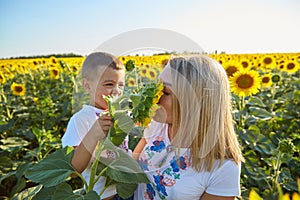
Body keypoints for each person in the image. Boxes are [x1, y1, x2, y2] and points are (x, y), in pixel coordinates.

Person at [133, 55, 244, 200]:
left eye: (165, 92)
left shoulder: (223, 166)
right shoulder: (158, 126)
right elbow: (133, 165)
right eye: (157, 87)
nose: (155, 96)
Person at [62, 52, 129, 200]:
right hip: (102, 196)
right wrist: (93, 135)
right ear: (87, 85)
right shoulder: (81, 119)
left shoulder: (120, 115)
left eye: (121, 85)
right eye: (109, 84)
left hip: (125, 190)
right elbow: (73, 170)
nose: (117, 91)